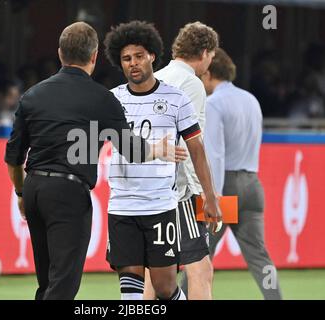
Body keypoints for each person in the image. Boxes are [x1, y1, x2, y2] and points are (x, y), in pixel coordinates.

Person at [4, 22, 185, 300]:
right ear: (93, 56)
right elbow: (131, 150)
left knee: (46, 281)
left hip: (34, 190)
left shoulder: (33, 95)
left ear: (60, 53)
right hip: (69, 193)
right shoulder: (102, 98)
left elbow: (13, 157)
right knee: (63, 283)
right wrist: (157, 150)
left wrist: (20, 193)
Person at [104, 20, 221, 300]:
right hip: (122, 204)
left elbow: (197, 150)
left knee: (165, 287)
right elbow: (91, 143)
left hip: (161, 205)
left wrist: (210, 197)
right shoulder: (111, 100)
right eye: (126, 58)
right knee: (130, 287)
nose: (133, 63)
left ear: (153, 56)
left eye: (139, 56)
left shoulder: (177, 98)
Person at [145, 21, 219, 300]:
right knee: (200, 269)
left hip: (148, 189)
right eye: (211, 56)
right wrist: (205, 196)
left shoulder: (157, 77)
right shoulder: (192, 84)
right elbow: (191, 147)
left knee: (158, 270)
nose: (209, 64)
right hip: (178, 191)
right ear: (203, 52)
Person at [201, 48, 283, 300]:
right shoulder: (251, 99)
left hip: (225, 185)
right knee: (260, 256)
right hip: (252, 182)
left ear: (209, 73)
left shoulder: (213, 103)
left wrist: (212, 196)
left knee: (199, 257)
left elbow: (215, 154)